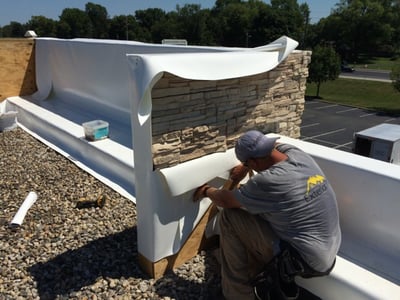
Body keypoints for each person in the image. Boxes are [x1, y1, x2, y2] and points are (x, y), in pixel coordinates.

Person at [193, 130, 341, 300]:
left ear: (253, 161)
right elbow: (274, 147)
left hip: (303, 261)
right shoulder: (297, 154)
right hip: (329, 250)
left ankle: (237, 294)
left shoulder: (267, 181)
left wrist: (206, 190)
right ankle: (254, 267)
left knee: (230, 217)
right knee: (262, 213)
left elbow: (226, 201)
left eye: (249, 164)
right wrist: (246, 165)